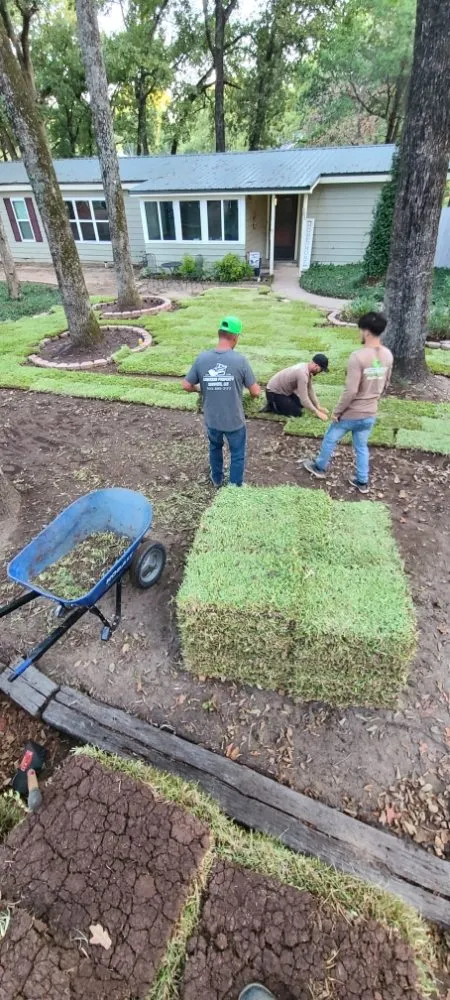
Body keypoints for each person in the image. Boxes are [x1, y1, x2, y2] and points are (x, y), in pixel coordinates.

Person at [303, 311, 393, 493]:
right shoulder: (387, 355)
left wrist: (337, 412)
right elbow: (386, 384)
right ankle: (362, 481)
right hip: (370, 413)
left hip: (351, 413)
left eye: (361, 330)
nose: (360, 334)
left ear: (366, 331)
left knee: (330, 438)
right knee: (361, 447)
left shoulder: (357, 357)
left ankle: (319, 467)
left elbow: (351, 390)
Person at [182, 315, 260, 487]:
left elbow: (186, 385)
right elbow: (255, 392)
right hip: (234, 421)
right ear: (234, 337)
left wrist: (199, 389)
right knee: (237, 454)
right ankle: (234, 486)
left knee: (215, 448)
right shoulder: (240, 361)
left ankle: (217, 479)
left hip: (212, 419)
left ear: (220, 334)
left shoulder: (202, 358)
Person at [263, 355, 329, 419]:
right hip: (273, 392)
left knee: (301, 405)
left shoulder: (307, 369)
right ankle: (272, 406)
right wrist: (317, 412)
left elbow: (310, 390)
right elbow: (304, 399)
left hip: (285, 392)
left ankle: (281, 403)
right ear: (316, 366)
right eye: (321, 369)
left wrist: (318, 406)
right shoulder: (302, 374)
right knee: (297, 413)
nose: (320, 372)